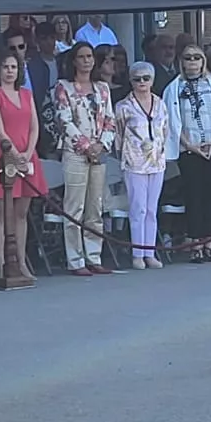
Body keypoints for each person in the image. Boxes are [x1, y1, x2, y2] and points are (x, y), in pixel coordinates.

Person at [0, 49, 47, 289]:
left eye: (13, 67)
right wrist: (14, 155)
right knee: (2, 213)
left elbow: (34, 127)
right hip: (3, 155)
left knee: (21, 213)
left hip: (27, 156)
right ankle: (2, 263)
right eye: (6, 67)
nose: (10, 71)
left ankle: (21, 262)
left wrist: (28, 153)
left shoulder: (27, 94)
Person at [54, 42, 118, 276]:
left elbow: (109, 119)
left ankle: (94, 255)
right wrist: (86, 146)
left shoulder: (102, 88)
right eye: (82, 57)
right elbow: (64, 120)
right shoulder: (64, 87)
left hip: (98, 151)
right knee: (75, 207)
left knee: (95, 206)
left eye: (90, 56)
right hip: (75, 153)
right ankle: (75, 259)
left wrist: (101, 145)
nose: (87, 61)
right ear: (74, 61)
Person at [166, 43, 211, 263]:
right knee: (193, 196)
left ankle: (209, 241)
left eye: (196, 58)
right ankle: (195, 242)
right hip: (189, 150)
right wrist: (189, 145)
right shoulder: (174, 88)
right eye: (187, 58)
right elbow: (172, 122)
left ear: (203, 61)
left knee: (209, 196)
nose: (192, 62)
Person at [115, 61, 171, 270]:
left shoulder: (160, 104)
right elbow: (118, 135)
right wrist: (124, 154)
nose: (142, 82)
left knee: (151, 209)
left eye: (146, 78)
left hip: (156, 161)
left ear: (152, 80)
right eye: (137, 79)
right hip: (134, 161)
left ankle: (150, 252)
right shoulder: (123, 106)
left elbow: (165, 130)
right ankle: (137, 252)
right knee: (137, 208)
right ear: (131, 81)